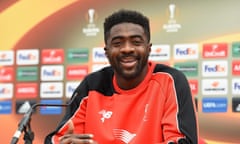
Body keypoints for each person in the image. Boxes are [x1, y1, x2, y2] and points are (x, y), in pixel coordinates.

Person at [44, 9, 198, 144]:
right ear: (107, 51)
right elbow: (56, 139)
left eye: (136, 42)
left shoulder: (170, 81)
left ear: (148, 49)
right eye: (118, 43)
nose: (127, 49)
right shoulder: (92, 85)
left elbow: (182, 141)